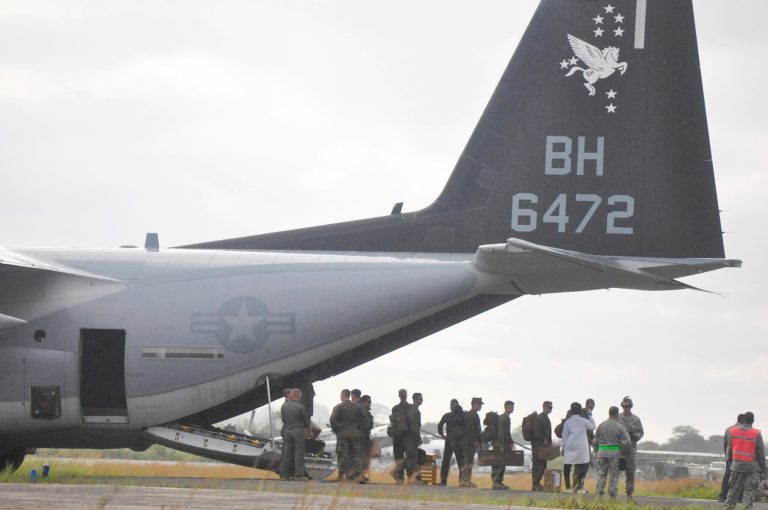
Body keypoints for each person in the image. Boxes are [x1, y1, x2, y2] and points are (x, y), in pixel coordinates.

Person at [724, 412, 766, 510]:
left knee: (732, 493)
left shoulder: (733, 431)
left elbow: (729, 450)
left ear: (743, 420)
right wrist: (764, 470)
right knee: (749, 495)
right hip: (751, 469)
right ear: (753, 421)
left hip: (736, 467)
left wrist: (730, 463)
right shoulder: (756, 434)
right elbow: (761, 454)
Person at [330, 388, 367, 482]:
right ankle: (359, 476)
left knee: (342, 454)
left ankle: (341, 476)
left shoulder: (339, 407)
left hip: (343, 434)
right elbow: (365, 419)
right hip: (354, 434)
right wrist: (358, 428)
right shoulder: (357, 407)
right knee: (356, 455)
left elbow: (333, 419)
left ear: (343, 395)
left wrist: (337, 429)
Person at [593, 406, 631, 498]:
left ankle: (599, 493)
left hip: (601, 453)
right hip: (614, 454)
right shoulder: (620, 427)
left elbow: (595, 441)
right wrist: (623, 452)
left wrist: (597, 451)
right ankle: (612, 495)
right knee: (614, 475)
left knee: (602, 473)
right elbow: (627, 442)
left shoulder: (601, 425)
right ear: (617, 414)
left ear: (609, 413)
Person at [561, 402, 596, 493]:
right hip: (582, 447)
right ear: (580, 411)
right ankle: (579, 488)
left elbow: (564, 436)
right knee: (583, 466)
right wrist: (590, 416)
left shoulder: (567, 422)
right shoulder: (584, 420)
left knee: (567, 465)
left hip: (570, 445)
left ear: (571, 411)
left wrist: (563, 448)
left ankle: (568, 488)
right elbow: (593, 427)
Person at [279, 388, 309, 481]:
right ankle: (298, 475)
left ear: (292, 396)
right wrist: (307, 429)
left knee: (287, 453)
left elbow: (283, 419)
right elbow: (306, 421)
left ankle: (284, 475)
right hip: (298, 431)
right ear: (299, 396)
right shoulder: (301, 407)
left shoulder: (284, 406)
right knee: (299, 452)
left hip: (287, 430)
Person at [617, 396, 644, 500]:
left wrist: (635, 436)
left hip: (631, 451)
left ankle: (629, 495)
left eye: (627, 406)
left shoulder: (636, 419)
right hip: (618, 451)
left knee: (630, 473)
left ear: (630, 406)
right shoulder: (617, 418)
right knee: (614, 473)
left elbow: (641, 432)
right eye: (623, 406)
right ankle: (613, 494)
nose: (625, 408)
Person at [395, 392, 424, 484]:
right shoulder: (414, 410)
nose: (421, 400)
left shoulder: (411, 409)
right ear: (415, 399)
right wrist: (418, 437)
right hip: (411, 437)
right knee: (411, 458)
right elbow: (414, 425)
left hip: (408, 437)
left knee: (410, 457)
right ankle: (411, 479)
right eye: (420, 399)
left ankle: (402, 474)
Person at [720, 414, 745, 502]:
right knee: (741, 477)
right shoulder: (744, 430)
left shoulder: (728, 429)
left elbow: (725, 444)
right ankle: (738, 498)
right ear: (743, 420)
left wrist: (727, 455)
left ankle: (723, 496)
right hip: (741, 457)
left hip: (730, 456)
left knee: (727, 476)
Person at [459, 397, 483, 488]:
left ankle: (467, 480)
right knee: (468, 461)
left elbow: (477, 430)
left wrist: (479, 441)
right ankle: (464, 480)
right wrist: (474, 441)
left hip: (470, 441)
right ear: (474, 404)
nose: (480, 406)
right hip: (468, 441)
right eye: (479, 404)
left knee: (470, 461)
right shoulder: (470, 415)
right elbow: (470, 429)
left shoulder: (475, 415)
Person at [388, 389, 411, 483]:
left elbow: (392, 423)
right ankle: (406, 477)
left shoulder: (395, 408)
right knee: (408, 457)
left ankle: (399, 477)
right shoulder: (410, 407)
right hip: (406, 437)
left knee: (399, 457)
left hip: (398, 436)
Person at [492, 400, 515, 490]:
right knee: (498, 463)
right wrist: (501, 445)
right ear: (506, 407)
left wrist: (510, 442)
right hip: (499, 445)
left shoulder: (507, 418)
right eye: (511, 407)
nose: (513, 408)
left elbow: (507, 433)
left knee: (502, 464)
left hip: (503, 445)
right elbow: (500, 432)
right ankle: (496, 482)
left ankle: (499, 482)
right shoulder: (502, 418)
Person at [437, 398, 460, 485]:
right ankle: (443, 480)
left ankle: (462, 481)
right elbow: (440, 425)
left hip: (458, 442)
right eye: (451, 405)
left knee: (460, 461)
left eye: (454, 405)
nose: (453, 407)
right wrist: (442, 435)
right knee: (446, 460)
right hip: (449, 441)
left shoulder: (461, 416)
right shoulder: (447, 416)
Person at [531, 401, 553, 491]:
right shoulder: (539, 418)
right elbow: (536, 432)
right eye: (549, 407)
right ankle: (535, 484)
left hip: (544, 447)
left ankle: (538, 483)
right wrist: (543, 440)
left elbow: (549, 434)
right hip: (538, 446)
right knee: (537, 465)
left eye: (551, 407)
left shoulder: (546, 418)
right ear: (543, 407)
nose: (550, 409)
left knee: (543, 466)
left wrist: (549, 443)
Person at [359, 394, 374, 482]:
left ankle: (362, 474)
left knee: (365, 458)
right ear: (363, 402)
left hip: (365, 438)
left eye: (370, 402)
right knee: (359, 457)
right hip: (359, 437)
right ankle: (358, 475)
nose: (369, 404)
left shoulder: (368, 414)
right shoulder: (359, 412)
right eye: (368, 402)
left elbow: (369, 425)